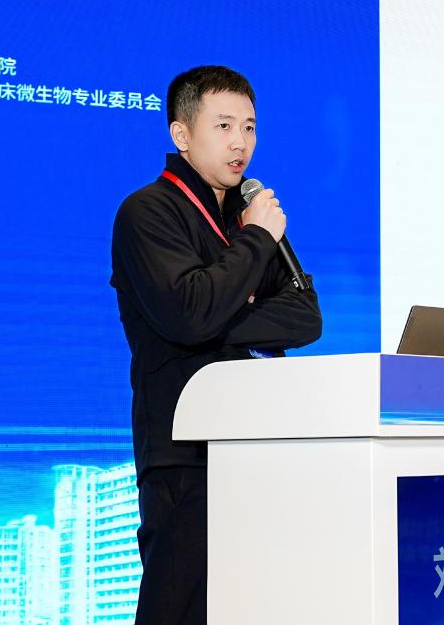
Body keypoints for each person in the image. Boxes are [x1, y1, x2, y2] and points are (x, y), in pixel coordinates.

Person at [110, 65, 322, 624]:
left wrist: (211, 312)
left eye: (249, 127)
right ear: (181, 134)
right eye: (224, 125)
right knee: (179, 610)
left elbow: (305, 317)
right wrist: (254, 245)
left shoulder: (245, 216)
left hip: (253, 443)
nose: (240, 142)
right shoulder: (148, 212)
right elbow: (188, 312)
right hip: (184, 451)